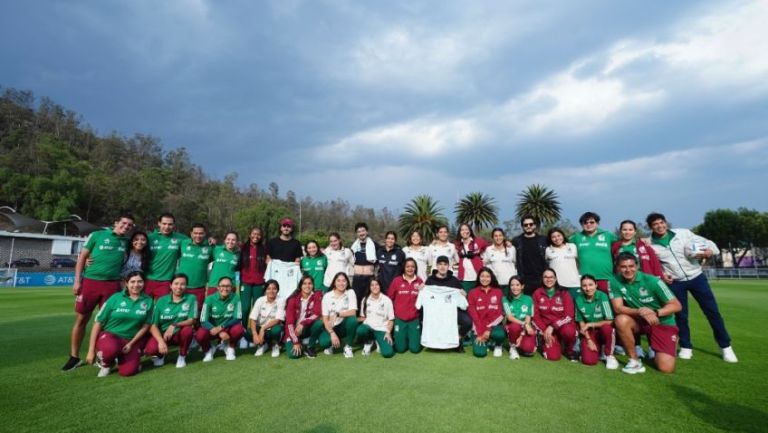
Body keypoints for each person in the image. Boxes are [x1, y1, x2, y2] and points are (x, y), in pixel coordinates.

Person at [646, 212, 737, 362]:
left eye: (661, 222)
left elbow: (709, 243)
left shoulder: (683, 233)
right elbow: (653, 265)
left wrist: (710, 251)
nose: (660, 226)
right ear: (651, 227)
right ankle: (686, 347)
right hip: (675, 282)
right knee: (681, 316)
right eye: (655, 224)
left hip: (697, 277)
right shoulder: (650, 244)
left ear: (666, 222)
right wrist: (663, 274)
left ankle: (726, 347)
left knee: (712, 312)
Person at [63, 213, 134, 372]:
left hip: (112, 285)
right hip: (90, 282)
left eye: (130, 225)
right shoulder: (97, 235)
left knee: (106, 324)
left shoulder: (127, 241)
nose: (126, 226)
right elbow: (82, 258)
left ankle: (101, 356)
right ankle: (74, 357)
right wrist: (77, 280)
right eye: (124, 223)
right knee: (82, 320)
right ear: (116, 222)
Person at [609, 252, 682, 374]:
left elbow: (676, 305)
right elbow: (618, 308)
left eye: (631, 266)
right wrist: (640, 311)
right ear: (618, 268)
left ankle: (665, 344)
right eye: (623, 267)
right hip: (639, 321)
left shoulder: (653, 281)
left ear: (637, 266)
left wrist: (655, 312)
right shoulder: (614, 281)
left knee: (666, 368)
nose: (628, 270)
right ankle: (634, 360)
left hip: (661, 321)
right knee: (620, 320)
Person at [84, 270, 152, 377]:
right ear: (126, 283)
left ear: (144, 283)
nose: (136, 285)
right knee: (110, 349)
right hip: (110, 336)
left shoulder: (148, 301)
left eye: (140, 282)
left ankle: (128, 359)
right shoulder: (115, 298)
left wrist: (131, 343)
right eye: (132, 282)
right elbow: (98, 322)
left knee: (128, 372)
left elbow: (146, 325)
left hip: (130, 340)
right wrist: (91, 350)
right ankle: (106, 364)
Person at [144, 273, 197, 368]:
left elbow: (192, 320)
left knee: (188, 330)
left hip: (178, 334)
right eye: (176, 284)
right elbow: (153, 325)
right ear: (170, 285)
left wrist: (174, 325)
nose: (179, 287)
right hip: (163, 335)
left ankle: (182, 356)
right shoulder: (161, 301)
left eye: (182, 284)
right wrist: (160, 341)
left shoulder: (191, 298)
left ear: (186, 286)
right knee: (150, 350)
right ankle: (160, 355)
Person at [420, 255, 471, 351]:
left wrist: (464, 294)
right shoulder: (430, 280)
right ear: (436, 266)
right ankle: (434, 341)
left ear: (448, 266)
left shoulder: (454, 280)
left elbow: (462, 294)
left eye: (445, 264)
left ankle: (458, 339)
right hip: (435, 311)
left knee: (467, 322)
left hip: (451, 310)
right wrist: (422, 289)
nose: (442, 267)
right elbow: (424, 295)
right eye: (440, 264)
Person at [531, 268, 578, 361]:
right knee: (553, 357)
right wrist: (544, 331)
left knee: (569, 332)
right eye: (546, 277)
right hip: (546, 330)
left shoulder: (564, 293)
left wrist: (553, 326)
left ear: (556, 279)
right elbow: (535, 316)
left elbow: (569, 316)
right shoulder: (537, 293)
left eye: (551, 277)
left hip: (563, 327)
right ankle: (552, 343)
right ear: (542, 279)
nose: (548, 279)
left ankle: (569, 350)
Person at [195, 277, 244, 362]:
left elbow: (238, 318)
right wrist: (218, 330)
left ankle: (230, 348)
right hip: (212, 329)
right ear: (218, 287)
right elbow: (203, 320)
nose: (225, 288)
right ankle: (209, 350)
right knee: (200, 335)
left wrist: (222, 327)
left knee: (239, 329)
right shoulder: (209, 299)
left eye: (228, 286)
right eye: (222, 286)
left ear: (232, 287)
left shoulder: (236, 298)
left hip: (227, 328)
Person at [574, 274, 618, 369]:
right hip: (590, 333)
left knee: (607, 329)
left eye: (590, 285)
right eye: (584, 285)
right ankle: (597, 349)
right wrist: (589, 339)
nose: (588, 288)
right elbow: (581, 323)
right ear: (581, 287)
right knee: (589, 361)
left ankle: (609, 355)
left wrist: (590, 324)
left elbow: (610, 321)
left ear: (596, 285)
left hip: (602, 329)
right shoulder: (578, 299)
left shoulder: (603, 296)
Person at [569, 212, 617, 293]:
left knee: (608, 303)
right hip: (585, 279)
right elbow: (560, 243)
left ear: (597, 223)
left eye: (591, 222)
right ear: (581, 224)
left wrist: (643, 240)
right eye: (585, 222)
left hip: (606, 277)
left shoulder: (608, 235)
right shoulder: (576, 237)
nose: (588, 224)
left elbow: (624, 241)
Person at [145, 213, 188, 300]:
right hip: (147, 279)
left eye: (170, 224)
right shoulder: (150, 238)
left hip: (166, 281)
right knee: (143, 307)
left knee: (162, 308)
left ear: (174, 225)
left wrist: (209, 241)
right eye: (164, 224)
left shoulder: (181, 239)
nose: (167, 227)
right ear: (159, 223)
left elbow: (196, 241)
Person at [467, 267, 506, 358]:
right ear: (478, 277)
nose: (485, 279)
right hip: (478, 327)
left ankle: (497, 345)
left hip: (493, 327)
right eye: (482, 276)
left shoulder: (498, 292)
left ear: (491, 278)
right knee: (480, 354)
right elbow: (473, 315)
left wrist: (488, 330)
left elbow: (500, 314)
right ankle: (488, 343)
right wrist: (480, 333)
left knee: (499, 335)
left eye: (488, 276)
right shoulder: (472, 292)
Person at [318, 272, 359, 357]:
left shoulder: (350, 292)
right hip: (331, 327)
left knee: (353, 320)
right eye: (338, 281)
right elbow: (325, 319)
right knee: (324, 343)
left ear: (347, 282)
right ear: (334, 283)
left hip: (343, 325)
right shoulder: (327, 296)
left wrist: (337, 314)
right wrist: (332, 332)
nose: (341, 283)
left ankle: (348, 347)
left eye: (344, 281)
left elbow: (353, 312)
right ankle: (333, 343)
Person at [388, 258, 424, 354]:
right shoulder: (397, 281)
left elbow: (424, 300)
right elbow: (389, 299)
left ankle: (411, 338)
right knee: (400, 350)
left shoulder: (420, 282)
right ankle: (403, 338)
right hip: (400, 319)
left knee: (415, 350)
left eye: (412, 266)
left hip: (414, 319)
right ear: (404, 268)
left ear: (415, 268)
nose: (410, 269)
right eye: (407, 266)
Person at [284, 275, 324, 359]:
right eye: (304, 284)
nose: (307, 286)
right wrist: (295, 342)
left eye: (310, 283)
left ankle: (310, 346)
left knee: (319, 323)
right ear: (300, 286)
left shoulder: (316, 296)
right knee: (294, 355)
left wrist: (303, 323)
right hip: (293, 331)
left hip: (306, 327)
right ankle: (300, 343)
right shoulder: (293, 300)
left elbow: (317, 313)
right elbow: (289, 323)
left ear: (313, 285)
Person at [176, 224, 213, 311]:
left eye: (201, 233)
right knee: (179, 311)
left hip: (199, 287)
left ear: (205, 234)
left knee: (197, 313)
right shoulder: (183, 243)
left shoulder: (209, 247)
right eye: (195, 233)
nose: (198, 236)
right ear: (191, 233)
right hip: (181, 286)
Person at [356, 279, 395, 358]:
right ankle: (368, 342)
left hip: (382, 329)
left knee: (388, 353)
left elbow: (391, 319)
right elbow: (363, 317)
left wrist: (388, 332)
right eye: (372, 285)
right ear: (369, 287)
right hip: (369, 328)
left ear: (380, 286)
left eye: (376, 284)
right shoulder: (365, 300)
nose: (374, 287)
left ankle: (378, 341)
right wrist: (353, 321)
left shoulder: (387, 300)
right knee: (360, 330)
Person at [239, 227, 268, 335]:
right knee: (245, 308)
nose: (256, 236)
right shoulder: (243, 248)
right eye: (253, 234)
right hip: (245, 282)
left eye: (258, 234)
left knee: (258, 309)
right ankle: (243, 330)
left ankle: (255, 331)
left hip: (259, 283)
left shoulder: (264, 249)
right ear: (249, 234)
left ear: (261, 236)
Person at [511, 215, 548, 295]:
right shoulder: (516, 241)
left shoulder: (544, 240)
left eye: (531, 224)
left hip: (541, 278)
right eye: (525, 225)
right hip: (524, 279)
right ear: (522, 226)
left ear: (535, 225)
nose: (528, 226)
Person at [249, 279, 285, 358]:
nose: (271, 291)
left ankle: (275, 345)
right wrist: (255, 334)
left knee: (277, 330)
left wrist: (263, 329)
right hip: (261, 327)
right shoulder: (260, 300)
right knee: (248, 332)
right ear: (265, 290)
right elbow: (253, 318)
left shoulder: (281, 300)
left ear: (278, 290)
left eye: (274, 288)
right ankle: (262, 345)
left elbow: (278, 320)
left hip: (272, 327)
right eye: (268, 288)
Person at [503, 276, 536, 359]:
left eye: (517, 285)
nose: (515, 287)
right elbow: (510, 317)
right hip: (513, 326)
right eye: (512, 285)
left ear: (522, 286)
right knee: (514, 326)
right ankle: (513, 347)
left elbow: (528, 318)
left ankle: (521, 344)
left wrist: (522, 335)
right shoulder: (505, 299)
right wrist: (524, 324)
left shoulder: (529, 299)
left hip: (525, 328)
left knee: (528, 350)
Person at [545, 227, 580, 299]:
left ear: (563, 235)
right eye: (553, 237)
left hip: (574, 283)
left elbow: (578, 262)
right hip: (557, 285)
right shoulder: (548, 249)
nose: (557, 238)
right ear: (550, 239)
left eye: (559, 235)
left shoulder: (572, 246)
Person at [350, 222, 378, 310]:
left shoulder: (375, 245)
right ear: (356, 234)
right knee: (356, 300)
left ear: (367, 232)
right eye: (359, 231)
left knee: (369, 300)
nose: (361, 233)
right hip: (357, 278)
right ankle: (356, 320)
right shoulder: (353, 247)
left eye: (363, 231)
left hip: (369, 278)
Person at [482, 228, 517, 296]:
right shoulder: (489, 250)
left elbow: (515, 263)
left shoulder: (511, 248)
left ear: (503, 236)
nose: (498, 238)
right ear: (492, 237)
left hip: (509, 284)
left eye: (500, 235)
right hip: (495, 284)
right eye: (496, 236)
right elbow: (485, 265)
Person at [455, 223, 488, 292]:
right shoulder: (457, 244)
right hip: (464, 279)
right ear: (459, 232)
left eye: (466, 229)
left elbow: (489, 247)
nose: (464, 232)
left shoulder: (478, 241)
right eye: (462, 230)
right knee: (466, 300)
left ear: (470, 231)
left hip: (478, 277)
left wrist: (481, 255)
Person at [206, 231, 240, 296]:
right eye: (228, 239)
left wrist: (236, 283)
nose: (230, 242)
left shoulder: (238, 254)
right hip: (214, 285)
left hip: (230, 287)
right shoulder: (216, 249)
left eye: (233, 240)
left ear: (236, 242)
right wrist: (209, 241)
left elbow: (237, 271)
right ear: (224, 240)